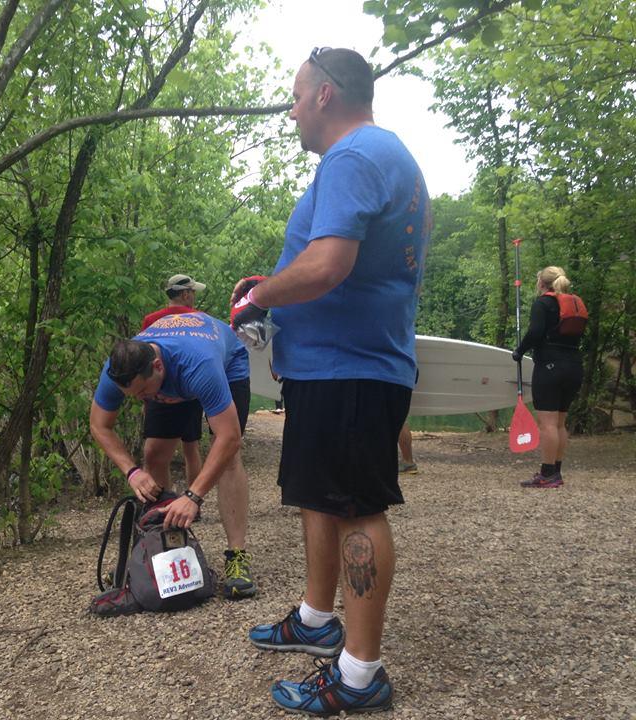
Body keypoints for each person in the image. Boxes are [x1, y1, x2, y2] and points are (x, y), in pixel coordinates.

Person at [230, 47, 430, 715]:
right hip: (332, 367)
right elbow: (323, 263)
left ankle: (360, 674)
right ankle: (319, 622)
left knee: (353, 507)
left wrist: (259, 299)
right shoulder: (375, 157)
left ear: (323, 95)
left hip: (350, 367)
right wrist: (270, 287)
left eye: (294, 96)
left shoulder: (353, 156)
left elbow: (327, 267)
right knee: (323, 498)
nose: (290, 109)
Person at [89, 311, 257, 598]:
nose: (141, 400)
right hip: (172, 379)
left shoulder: (199, 365)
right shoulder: (118, 369)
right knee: (153, 454)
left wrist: (193, 496)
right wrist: (132, 472)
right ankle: (161, 546)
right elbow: (99, 425)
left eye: (143, 392)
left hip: (225, 366)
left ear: (157, 366)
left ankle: (237, 557)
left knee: (229, 457)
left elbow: (229, 438)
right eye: (133, 396)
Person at [512, 266, 585, 488]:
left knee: (547, 424)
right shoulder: (575, 304)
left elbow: (535, 333)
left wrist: (519, 351)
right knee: (560, 422)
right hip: (575, 367)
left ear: (542, 284)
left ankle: (547, 474)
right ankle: (556, 472)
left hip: (550, 368)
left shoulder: (543, 303)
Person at [139, 274, 207, 491]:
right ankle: (194, 502)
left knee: (157, 455)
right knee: (191, 447)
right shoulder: (200, 319)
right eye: (193, 292)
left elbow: (144, 359)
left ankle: (163, 503)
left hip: (158, 393)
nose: (194, 296)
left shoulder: (151, 320)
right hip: (192, 390)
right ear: (185, 294)